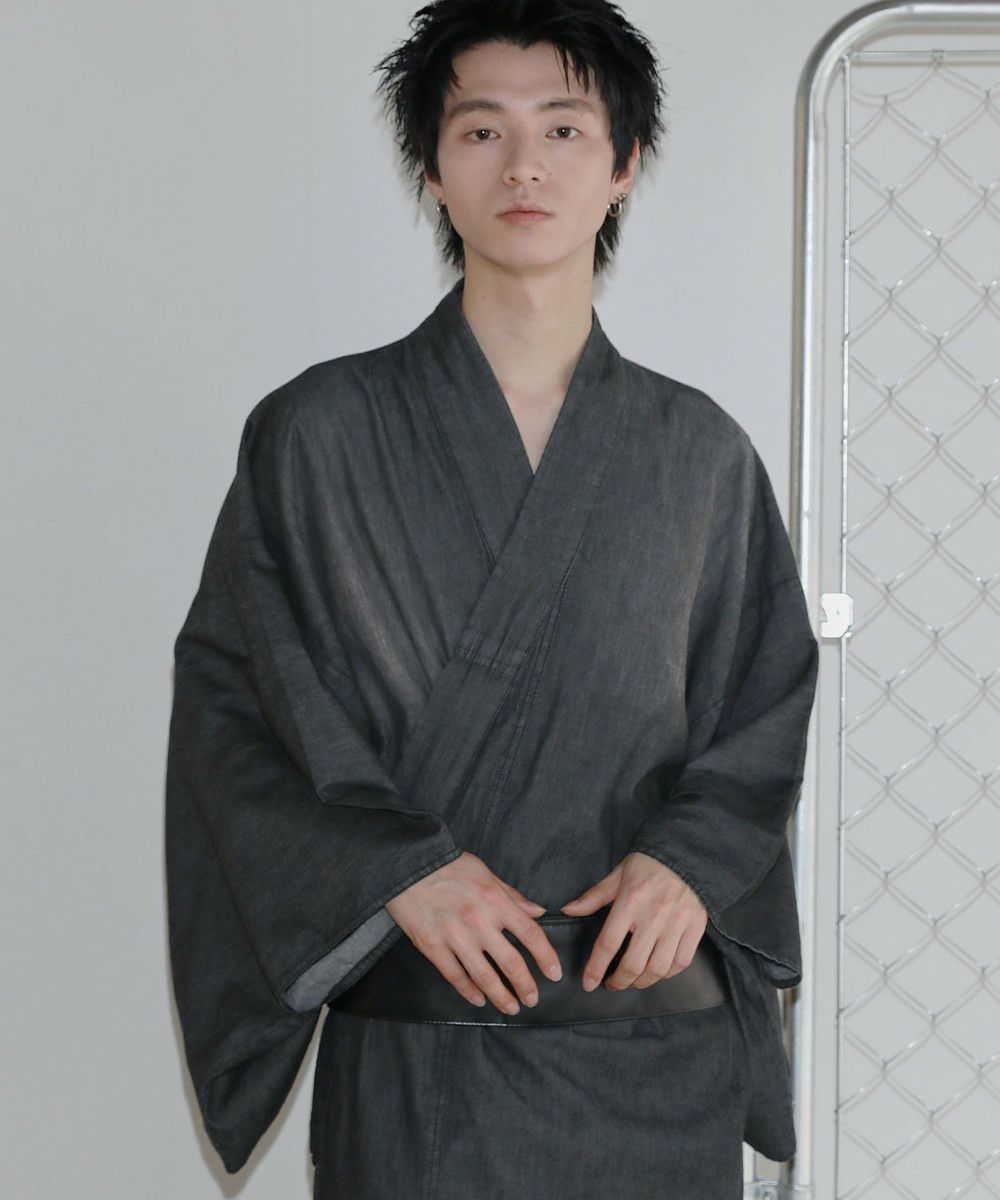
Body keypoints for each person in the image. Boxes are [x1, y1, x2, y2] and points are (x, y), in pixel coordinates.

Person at [164, 2, 820, 1197]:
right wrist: (395, 870)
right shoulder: (317, 436)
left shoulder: (698, 454)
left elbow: (761, 708)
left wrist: (690, 861)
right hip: (422, 1064)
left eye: (564, 129)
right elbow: (239, 713)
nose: (523, 165)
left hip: (657, 1062)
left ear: (623, 165)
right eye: (481, 131)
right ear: (431, 168)